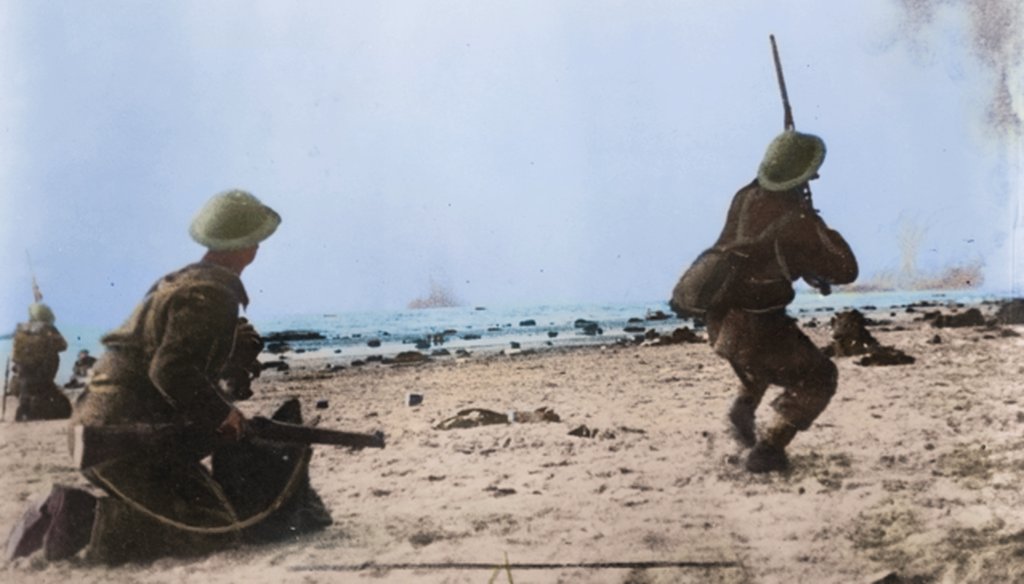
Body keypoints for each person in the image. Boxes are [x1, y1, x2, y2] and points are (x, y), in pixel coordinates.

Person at [5, 189, 331, 565]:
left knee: (207, 509)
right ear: (249, 246)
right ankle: (85, 519)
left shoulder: (182, 283)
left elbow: (169, 359)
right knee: (211, 529)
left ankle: (87, 513)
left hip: (104, 427)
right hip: (124, 441)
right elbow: (170, 369)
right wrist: (221, 414)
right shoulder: (211, 294)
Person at [670, 130, 858, 473]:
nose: (815, 176)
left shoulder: (744, 197)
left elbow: (766, 250)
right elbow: (845, 270)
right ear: (802, 175)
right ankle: (768, 450)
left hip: (721, 323)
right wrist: (818, 225)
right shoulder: (799, 221)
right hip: (759, 329)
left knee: (763, 365)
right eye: (811, 171)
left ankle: (741, 410)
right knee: (819, 377)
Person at [10, 302, 72, 421]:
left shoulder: (20, 329)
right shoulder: (48, 328)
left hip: (23, 372)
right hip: (43, 371)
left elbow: (15, 354)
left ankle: (24, 411)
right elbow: (63, 346)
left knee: (26, 392)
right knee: (47, 391)